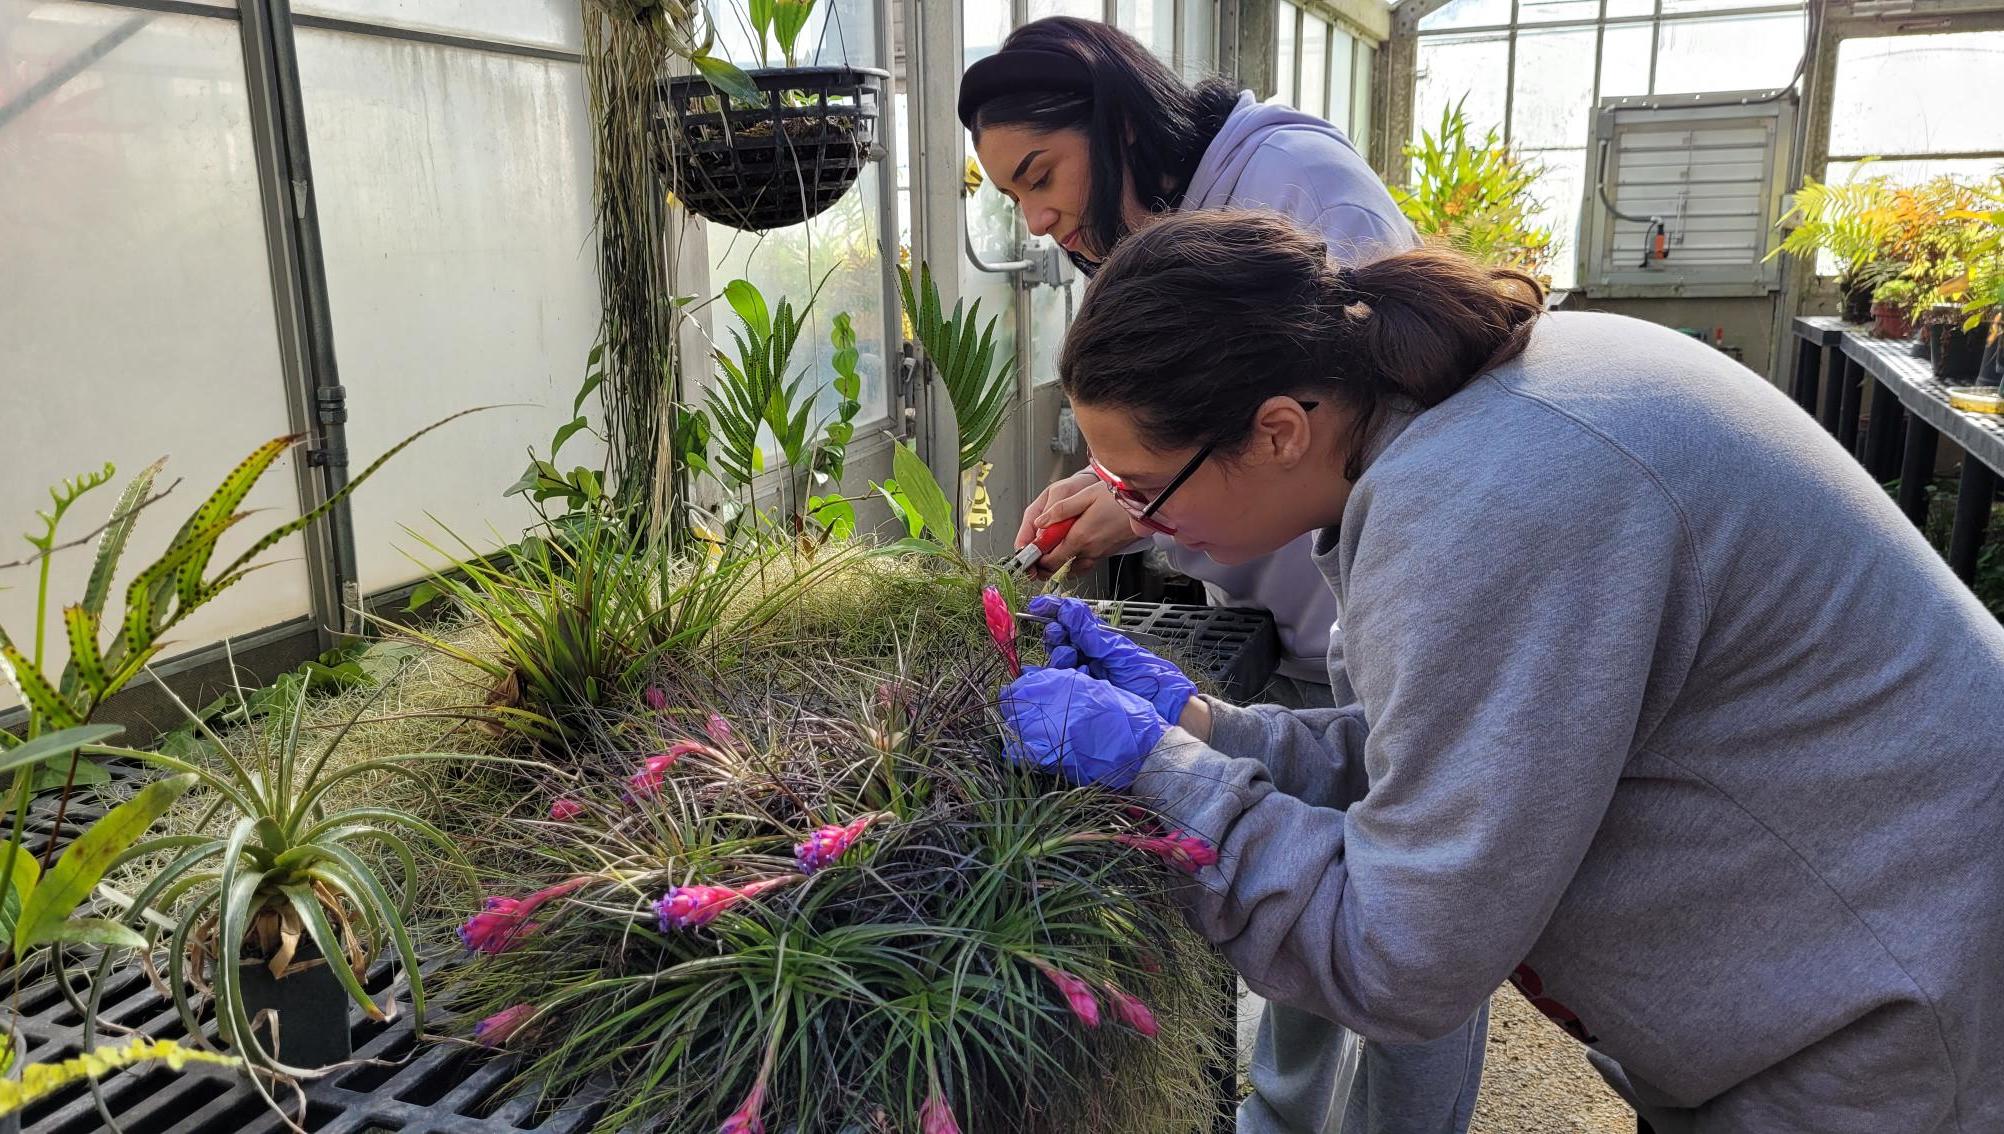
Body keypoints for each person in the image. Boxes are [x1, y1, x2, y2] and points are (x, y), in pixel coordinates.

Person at [1000, 209, 2004, 1134]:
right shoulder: (1465, 421)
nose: (1139, 522)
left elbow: (1402, 953)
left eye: (1143, 489)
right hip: (1856, 951)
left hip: (1894, 1014)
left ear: (1276, 430)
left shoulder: (1488, 506)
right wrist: (1208, 728)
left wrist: (1161, 781)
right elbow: (1466, 745)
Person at [960, 22, 1485, 1133]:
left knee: (1397, 933)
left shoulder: (1303, 192)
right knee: (1327, 873)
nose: (1036, 219)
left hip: (1854, 1029)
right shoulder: (1144, 234)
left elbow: (1418, 934)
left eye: (1040, 175)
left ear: (1111, 116)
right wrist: (1197, 708)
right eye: (1012, 195)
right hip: (1325, 636)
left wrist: (1166, 757)